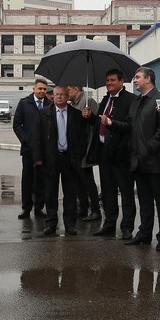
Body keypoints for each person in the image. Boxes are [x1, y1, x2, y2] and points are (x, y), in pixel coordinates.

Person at [109, 67, 160, 251]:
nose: (134, 80)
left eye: (137, 77)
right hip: (137, 159)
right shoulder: (136, 101)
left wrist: (149, 148)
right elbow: (130, 126)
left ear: (148, 79)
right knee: (144, 200)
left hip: (154, 160)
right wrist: (111, 123)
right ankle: (144, 233)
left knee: (159, 200)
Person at [82, 69, 137, 239]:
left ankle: (127, 227)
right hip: (104, 153)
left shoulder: (131, 100)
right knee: (108, 192)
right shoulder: (106, 99)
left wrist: (112, 123)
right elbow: (100, 122)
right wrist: (90, 117)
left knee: (126, 193)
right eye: (107, 80)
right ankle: (109, 223)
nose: (109, 83)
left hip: (121, 155)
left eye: (113, 80)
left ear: (121, 81)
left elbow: (129, 126)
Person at [31, 85, 87, 235]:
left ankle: (70, 224)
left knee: (70, 193)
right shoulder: (44, 114)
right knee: (50, 193)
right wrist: (38, 158)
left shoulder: (75, 114)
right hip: (50, 158)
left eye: (62, 95)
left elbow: (83, 138)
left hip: (69, 158)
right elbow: (37, 137)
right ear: (52, 96)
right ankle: (50, 223)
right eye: (56, 94)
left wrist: (78, 155)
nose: (59, 97)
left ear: (68, 97)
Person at [13, 79, 49, 219]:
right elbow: (17, 125)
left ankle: (39, 207)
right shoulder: (24, 103)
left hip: (44, 149)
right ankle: (26, 208)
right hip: (28, 149)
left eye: (44, 89)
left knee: (41, 179)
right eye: (40, 88)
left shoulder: (49, 104)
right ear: (34, 88)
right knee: (27, 179)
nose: (42, 91)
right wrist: (26, 139)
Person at [67, 85, 101, 221]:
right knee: (78, 180)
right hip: (75, 148)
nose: (66, 93)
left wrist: (89, 116)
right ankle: (83, 208)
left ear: (76, 89)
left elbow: (98, 122)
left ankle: (95, 210)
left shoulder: (88, 101)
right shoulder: (73, 103)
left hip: (86, 147)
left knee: (88, 181)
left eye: (68, 90)